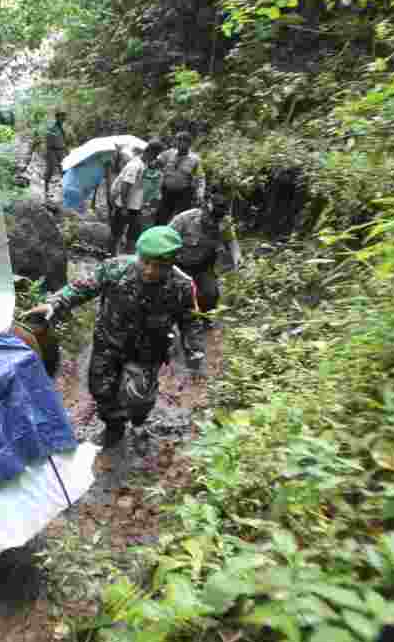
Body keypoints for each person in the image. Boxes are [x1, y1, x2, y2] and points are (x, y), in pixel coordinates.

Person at [23, 226, 205, 450]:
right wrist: (54, 303)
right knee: (101, 389)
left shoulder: (182, 286)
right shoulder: (115, 268)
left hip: (147, 352)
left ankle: (138, 423)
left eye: (158, 267)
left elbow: (189, 320)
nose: (149, 271)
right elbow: (82, 288)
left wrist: (194, 351)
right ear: (139, 256)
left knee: (140, 396)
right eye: (145, 262)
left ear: (171, 264)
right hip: (108, 343)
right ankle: (114, 426)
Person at [168, 192, 242, 316]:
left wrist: (237, 257)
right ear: (204, 211)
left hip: (203, 266)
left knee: (211, 296)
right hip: (178, 265)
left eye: (216, 220)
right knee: (178, 295)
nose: (213, 222)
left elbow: (232, 242)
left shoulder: (224, 223)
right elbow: (165, 237)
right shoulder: (184, 219)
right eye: (211, 218)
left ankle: (203, 322)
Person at [110, 138, 165, 255]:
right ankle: (112, 255)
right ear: (150, 152)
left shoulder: (143, 164)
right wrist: (124, 207)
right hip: (124, 205)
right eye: (156, 155)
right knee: (117, 233)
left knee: (133, 232)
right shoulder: (135, 166)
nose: (156, 158)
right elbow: (125, 186)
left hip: (134, 206)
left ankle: (126, 254)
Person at [155, 131, 205, 225]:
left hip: (183, 193)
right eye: (177, 141)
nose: (178, 144)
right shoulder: (169, 153)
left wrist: (200, 194)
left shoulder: (195, 159)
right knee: (161, 216)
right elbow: (156, 162)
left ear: (188, 144)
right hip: (167, 191)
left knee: (181, 219)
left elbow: (200, 178)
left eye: (181, 141)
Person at [20, 110, 69, 201]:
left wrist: (66, 151)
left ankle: (65, 191)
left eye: (64, 117)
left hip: (61, 151)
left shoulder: (62, 128)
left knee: (64, 171)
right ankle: (46, 192)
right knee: (50, 171)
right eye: (62, 117)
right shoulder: (52, 127)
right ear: (57, 117)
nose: (63, 118)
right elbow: (46, 139)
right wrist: (47, 150)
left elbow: (64, 141)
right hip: (52, 151)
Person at [61, 149, 116, 216]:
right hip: (77, 188)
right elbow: (108, 184)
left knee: (71, 214)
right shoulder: (106, 158)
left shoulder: (89, 156)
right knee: (75, 215)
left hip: (70, 184)